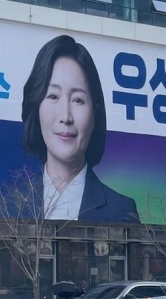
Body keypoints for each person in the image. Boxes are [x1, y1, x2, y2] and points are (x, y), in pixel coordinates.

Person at [22, 35, 140, 223]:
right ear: (36, 106)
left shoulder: (121, 210)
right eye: (53, 96)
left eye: (77, 100)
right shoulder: (12, 203)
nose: (66, 117)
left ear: (95, 113)